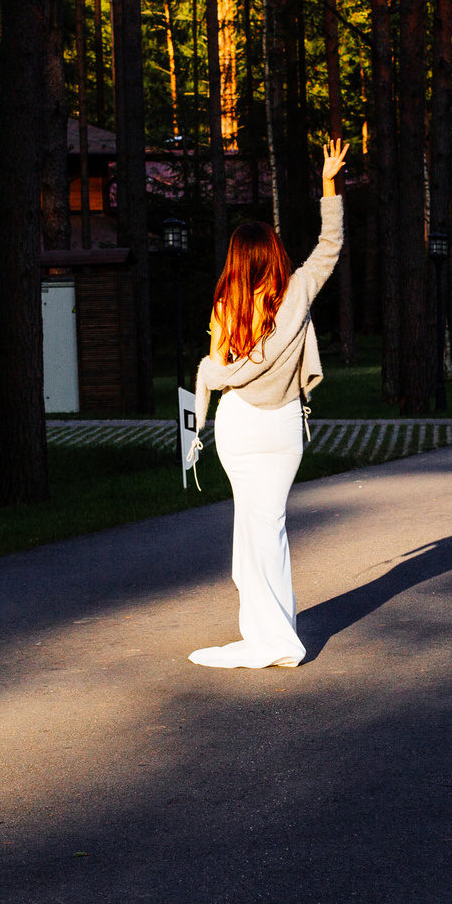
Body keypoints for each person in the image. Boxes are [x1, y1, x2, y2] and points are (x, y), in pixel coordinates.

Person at [187, 139, 347, 669]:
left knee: (249, 535)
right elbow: (331, 243)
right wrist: (329, 184)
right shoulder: (298, 292)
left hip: (239, 428)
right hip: (282, 432)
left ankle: (273, 639)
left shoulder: (226, 304)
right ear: (274, 253)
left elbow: (213, 370)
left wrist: (196, 426)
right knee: (268, 529)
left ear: (237, 260)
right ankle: (273, 635)